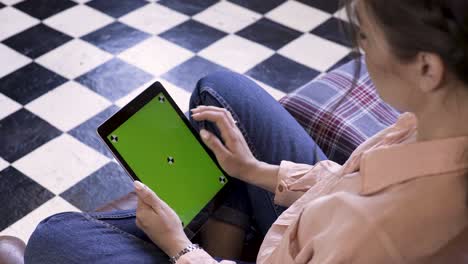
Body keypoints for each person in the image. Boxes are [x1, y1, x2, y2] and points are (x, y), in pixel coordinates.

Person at [24, 0, 468, 263]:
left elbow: (358, 209)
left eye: (366, 37)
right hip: (311, 223)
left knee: (54, 236)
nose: (361, 52)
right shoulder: (435, 124)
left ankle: (215, 237)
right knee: (220, 91)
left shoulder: (377, 233)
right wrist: (256, 170)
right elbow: (349, 179)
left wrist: (180, 248)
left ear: (428, 67)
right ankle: (226, 226)